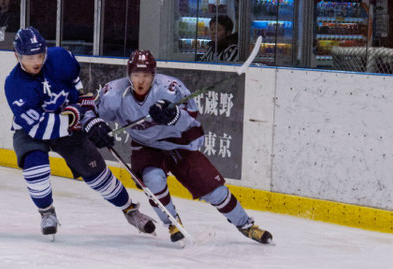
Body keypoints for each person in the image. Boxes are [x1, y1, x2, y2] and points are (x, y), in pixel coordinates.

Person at [82, 49, 272, 245]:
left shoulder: (170, 89)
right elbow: (89, 110)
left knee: (215, 191)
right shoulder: (114, 93)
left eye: (146, 75)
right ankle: (173, 222)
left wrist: (174, 116)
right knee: (152, 180)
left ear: (153, 75)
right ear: (128, 75)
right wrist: (93, 125)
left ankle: (246, 226)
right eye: (136, 75)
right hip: (146, 146)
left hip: (180, 143)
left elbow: (192, 117)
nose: (140, 81)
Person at [4, 27, 156, 240]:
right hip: (32, 131)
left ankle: (130, 210)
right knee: (35, 165)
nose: (37, 61)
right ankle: (47, 213)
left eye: (40, 55)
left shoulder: (60, 58)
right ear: (17, 55)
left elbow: (83, 94)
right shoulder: (14, 85)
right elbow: (38, 126)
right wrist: (77, 118)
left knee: (97, 173)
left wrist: (92, 120)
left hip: (68, 126)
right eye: (30, 57)